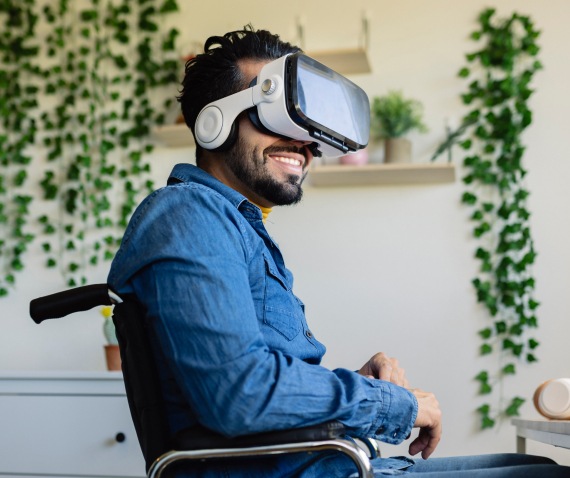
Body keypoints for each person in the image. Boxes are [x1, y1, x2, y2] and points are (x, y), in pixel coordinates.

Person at [107, 25, 570, 477]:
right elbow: (239, 395)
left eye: (308, 126)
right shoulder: (188, 216)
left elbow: (257, 387)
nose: (305, 144)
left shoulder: (233, 226)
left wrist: (358, 385)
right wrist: (395, 403)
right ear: (214, 121)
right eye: (276, 116)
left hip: (329, 461)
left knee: (534, 466)